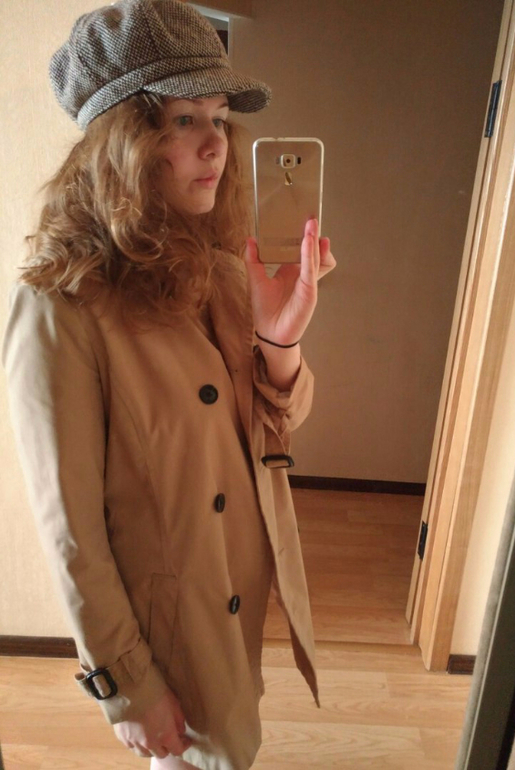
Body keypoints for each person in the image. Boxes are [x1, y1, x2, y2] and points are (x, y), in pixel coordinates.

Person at [1, 1, 336, 769]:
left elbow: (278, 430)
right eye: (184, 119)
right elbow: (70, 529)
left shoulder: (220, 268)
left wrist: (281, 338)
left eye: (219, 117)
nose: (215, 143)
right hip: (164, 620)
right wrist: (125, 682)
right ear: (122, 139)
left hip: (233, 586)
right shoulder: (61, 301)